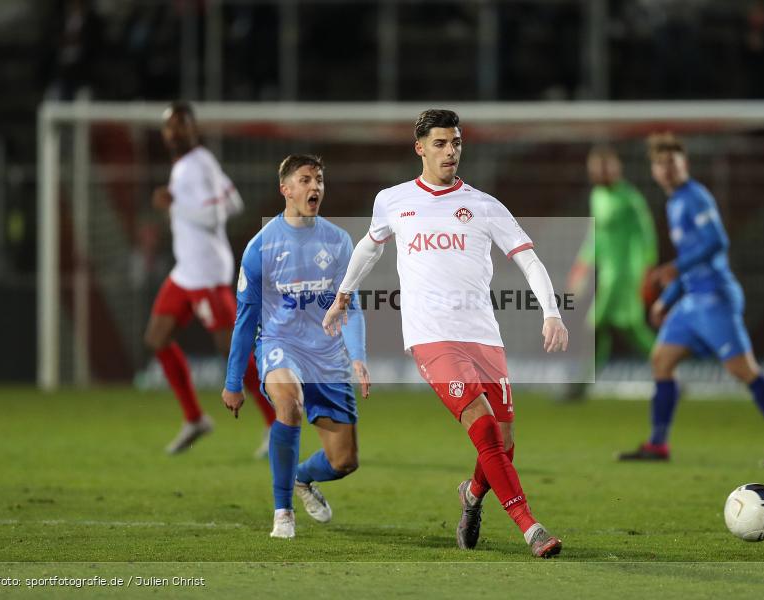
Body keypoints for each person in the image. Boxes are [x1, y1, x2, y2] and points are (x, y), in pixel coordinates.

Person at [322, 109, 568, 558]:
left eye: (455, 143)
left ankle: (472, 496)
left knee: (504, 443)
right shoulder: (393, 200)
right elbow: (369, 247)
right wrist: (343, 293)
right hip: (431, 336)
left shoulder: (484, 205)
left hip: (483, 336)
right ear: (420, 148)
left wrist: (551, 312)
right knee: (484, 430)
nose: (450, 151)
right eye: (440, 143)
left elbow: (528, 258)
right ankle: (530, 527)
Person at [617, 132, 764, 466]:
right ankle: (657, 444)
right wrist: (666, 299)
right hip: (692, 300)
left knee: (743, 370)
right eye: (661, 164)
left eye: (672, 162)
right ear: (654, 171)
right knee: (661, 360)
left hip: (715, 296)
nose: (668, 169)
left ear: (684, 164)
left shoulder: (695, 197)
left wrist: (675, 268)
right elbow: (688, 259)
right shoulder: (674, 203)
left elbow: (717, 241)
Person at [221, 154, 369, 540]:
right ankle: (282, 511)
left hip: (327, 355)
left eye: (319, 179)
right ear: (285, 189)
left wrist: (358, 356)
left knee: (344, 461)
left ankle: (302, 478)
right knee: (289, 405)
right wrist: (233, 380)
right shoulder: (261, 247)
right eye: (304, 180)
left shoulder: (339, 242)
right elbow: (246, 318)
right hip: (279, 344)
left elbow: (348, 308)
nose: (314, 187)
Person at [145, 101, 276, 455]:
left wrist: (173, 203)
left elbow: (216, 215)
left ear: (192, 128)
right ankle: (194, 418)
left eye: (180, 125)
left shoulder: (194, 167)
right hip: (186, 271)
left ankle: (274, 420)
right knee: (157, 337)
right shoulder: (197, 162)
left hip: (205, 273)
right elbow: (234, 202)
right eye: (169, 127)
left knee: (231, 348)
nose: (174, 132)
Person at [567, 146, 658, 396]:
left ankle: (582, 384)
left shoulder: (630, 198)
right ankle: (669, 374)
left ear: (617, 168)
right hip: (608, 274)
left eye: (605, 167)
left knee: (596, 325)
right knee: (630, 329)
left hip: (627, 274)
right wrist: (582, 266)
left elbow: (647, 235)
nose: (600, 173)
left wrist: (648, 270)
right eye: (596, 168)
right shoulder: (597, 196)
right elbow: (595, 237)